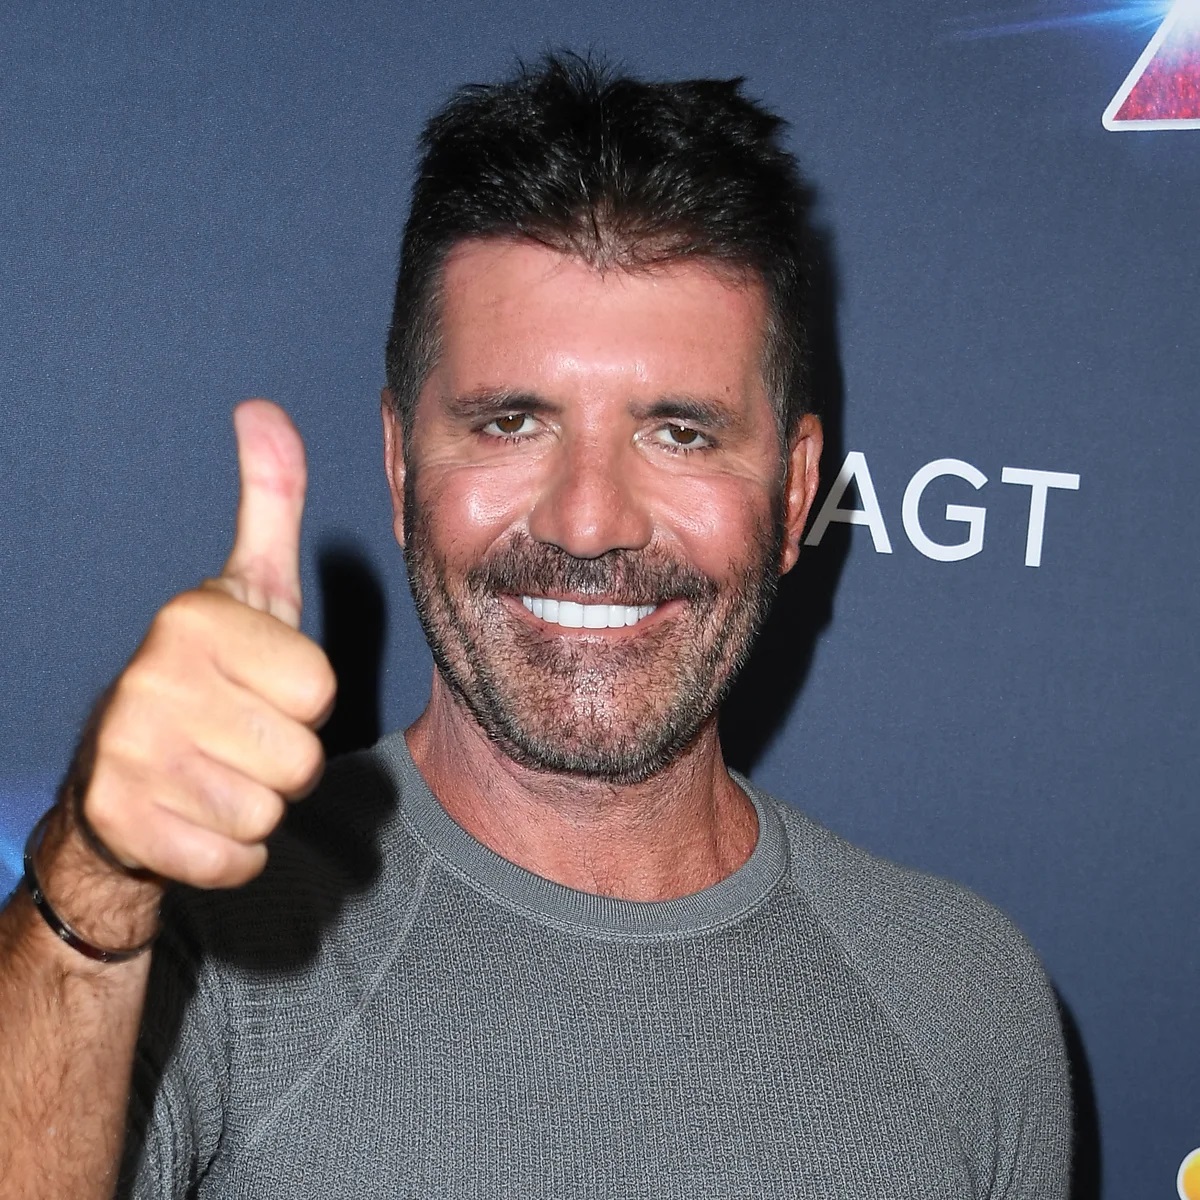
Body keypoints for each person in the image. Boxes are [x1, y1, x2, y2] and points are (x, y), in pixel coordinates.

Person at [0, 55, 1071, 1198]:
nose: (590, 520)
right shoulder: (188, 940)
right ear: (402, 464)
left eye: (680, 432)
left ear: (797, 488)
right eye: (513, 422)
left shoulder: (967, 1001)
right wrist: (96, 886)